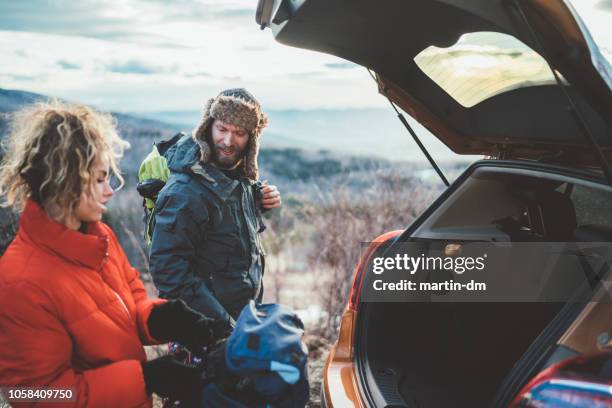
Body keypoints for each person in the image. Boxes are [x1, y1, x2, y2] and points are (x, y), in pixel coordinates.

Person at [0, 101, 223, 407]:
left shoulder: (97, 237)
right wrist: (146, 379)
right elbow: (33, 395)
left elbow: (126, 306)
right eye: (101, 178)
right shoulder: (20, 282)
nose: (110, 191)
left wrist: (163, 319)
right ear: (65, 181)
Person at [148, 88, 281, 333]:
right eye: (222, 129)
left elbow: (226, 239)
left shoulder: (237, 180)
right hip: (205, 333)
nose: (228, 141)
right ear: (207, 127)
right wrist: (223, 329)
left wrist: (256, 201)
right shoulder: (184, 191)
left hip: (239, 320)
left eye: (239, 133)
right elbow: (169, 273)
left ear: (251, 140)